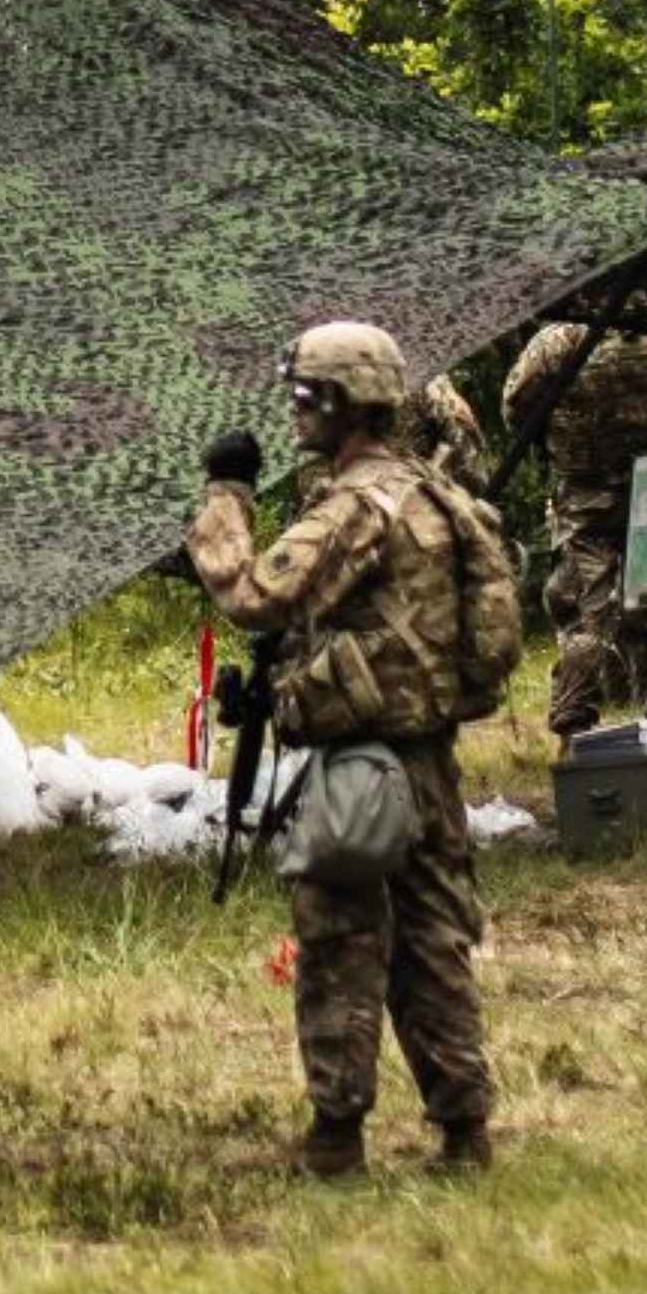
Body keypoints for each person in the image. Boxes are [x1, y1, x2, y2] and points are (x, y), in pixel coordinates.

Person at [185, 317, 531, 1178]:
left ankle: (336, 1138)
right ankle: (464, 1130)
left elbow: (254, 593)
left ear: (344, 402)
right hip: (428, 761)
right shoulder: (435, 494)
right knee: (432, 943)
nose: (296, 411)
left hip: (360, 768)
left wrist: (227, 496)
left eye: (306, 395)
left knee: (340, 942)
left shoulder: (352, 507)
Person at [499, 319, 647, 725]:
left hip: (587, 502)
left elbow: (516, 410)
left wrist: (553, 446)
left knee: (585, 610)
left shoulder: (557, 342)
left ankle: (573, 713)